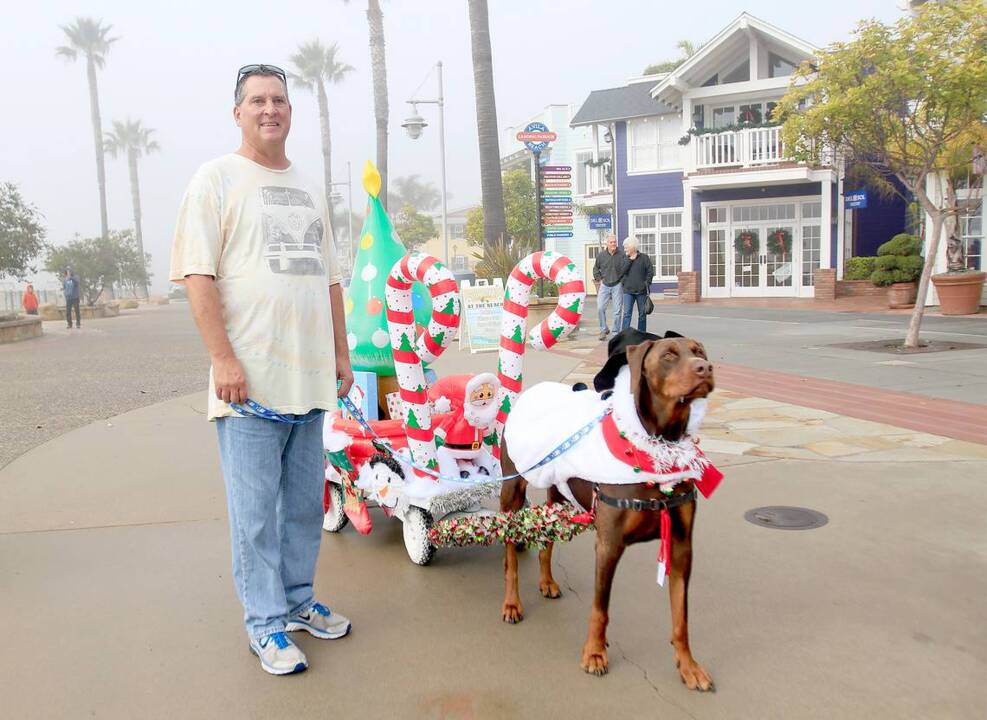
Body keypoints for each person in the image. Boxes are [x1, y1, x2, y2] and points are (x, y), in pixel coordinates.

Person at [170, 64, 353, 676]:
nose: (269, 108)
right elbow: (199, 273)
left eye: (278, 99)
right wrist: (222, 358)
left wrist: (342, 357)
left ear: (289, 111)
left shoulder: (309, 184)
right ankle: (264, 624)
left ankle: (299, 603)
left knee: (303, 507)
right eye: (257, 101)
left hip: (309, 381)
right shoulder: (216, 179)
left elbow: (329, 279)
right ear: (238, 112)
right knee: (254, 518)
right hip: (247, 385)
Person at [592, 234, 627, 340]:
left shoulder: (622, 255)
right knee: (600, 308)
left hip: (617, 285)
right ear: (607, 243)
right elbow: (595, 269)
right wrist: (600, 279)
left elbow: (626, 269)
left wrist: (622, 281)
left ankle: (615, 332)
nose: (613, 244)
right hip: (605, 285)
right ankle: (603, 329)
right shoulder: (601, 256)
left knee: (617, 311)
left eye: (614, 242)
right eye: (611, 242)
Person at [620, 237, 655, 333]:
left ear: (632, 247)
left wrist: (646, 283)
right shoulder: (624, 258)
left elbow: (650, 272)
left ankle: (641, 334)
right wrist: (630, 260)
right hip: (628, 291)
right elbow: (622, 271)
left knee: (642, 315)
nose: (625, 249)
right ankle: (625, 335)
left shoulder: (644, 258)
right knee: (627, 314)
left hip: (641, 291)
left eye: (626, 247)